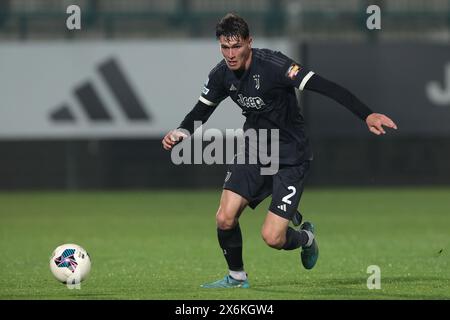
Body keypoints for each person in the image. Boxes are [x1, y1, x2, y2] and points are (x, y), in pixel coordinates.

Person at [162, 13, 397, 288]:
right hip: (255, 150)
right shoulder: (221, 74)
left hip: (290, 156)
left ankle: (306, 238)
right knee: (225, 218)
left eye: (236, 46)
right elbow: (202, 110)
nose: (230, 53)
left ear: (250, 42)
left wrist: (366, 115)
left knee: (273, 238)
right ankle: (237, 277)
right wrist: (181, 131)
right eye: (224, 47)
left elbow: (326, 86)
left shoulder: (275, 65)